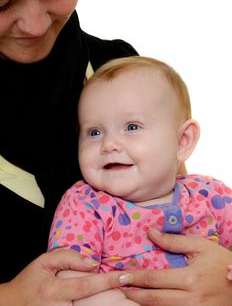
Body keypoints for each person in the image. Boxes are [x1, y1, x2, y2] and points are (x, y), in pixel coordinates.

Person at [1, 0, 232, 305]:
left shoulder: (121, 73)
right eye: (1, 3)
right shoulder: (82, 205)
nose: (35, 25)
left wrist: (225, 281)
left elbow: (169, 182)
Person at [48, 55, 232, 305]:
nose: (109, 144)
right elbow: (69, 276)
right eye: (94, 132)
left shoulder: (211, 195)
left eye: (132, 127)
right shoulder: (85, 205)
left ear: (182, 141)